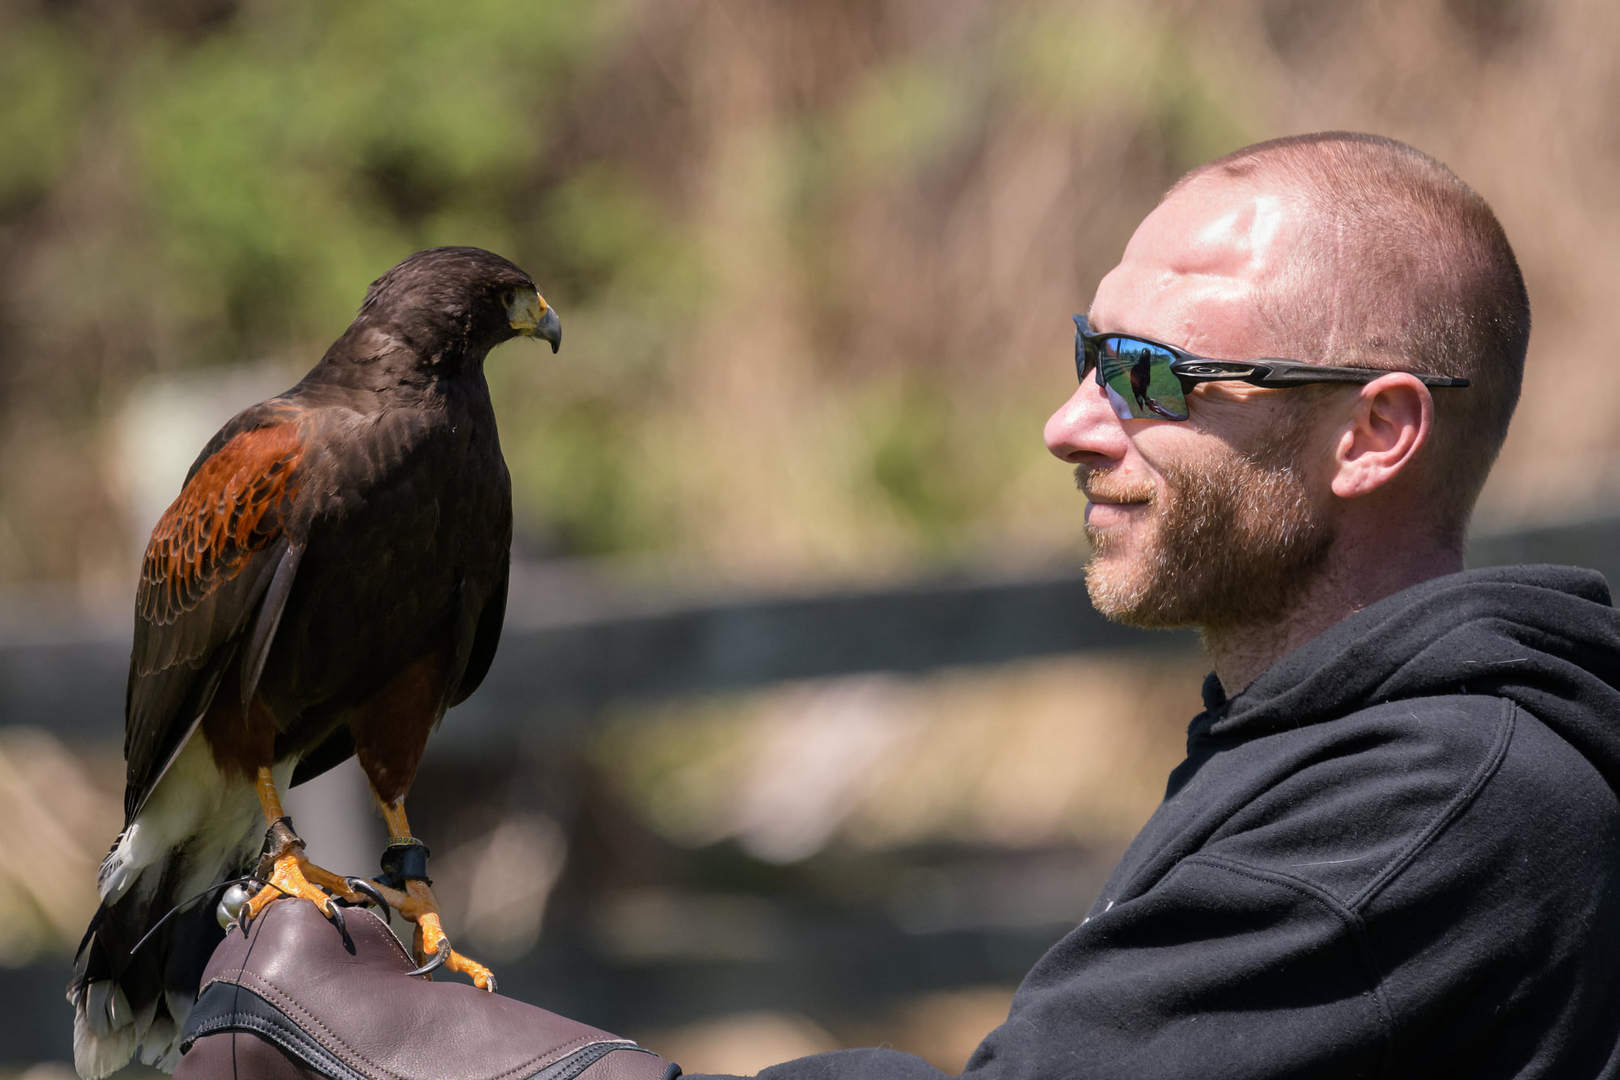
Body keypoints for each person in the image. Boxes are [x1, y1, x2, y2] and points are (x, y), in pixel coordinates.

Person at [171, 132, 1620, 1079]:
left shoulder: (1431, 810)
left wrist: (427, 1043)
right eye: (1089, 352)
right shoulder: (1332, 757)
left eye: (1159, 380)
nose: (1067, 424)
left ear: (1376, 434)